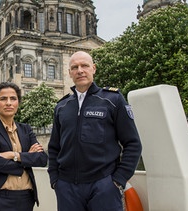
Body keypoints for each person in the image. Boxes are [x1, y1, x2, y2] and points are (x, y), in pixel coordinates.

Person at [47, 51, 142, 211]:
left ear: (94, 68)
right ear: (69, 72)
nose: (80, 70)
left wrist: (118, 180)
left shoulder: (112, 100)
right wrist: (55, 179)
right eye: (75, 67)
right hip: (67, 187)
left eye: (85, 65)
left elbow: (133, 143)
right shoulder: (62, 106)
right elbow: (54, 147)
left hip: (104, 184)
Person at [0, 82, 48, 211]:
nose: (8, 103)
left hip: (26, 197)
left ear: (18, 103)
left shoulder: (26, 129)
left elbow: (42, 159)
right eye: (3, 99)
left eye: (13, 98)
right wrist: (26, 160)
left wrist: (13, 155)